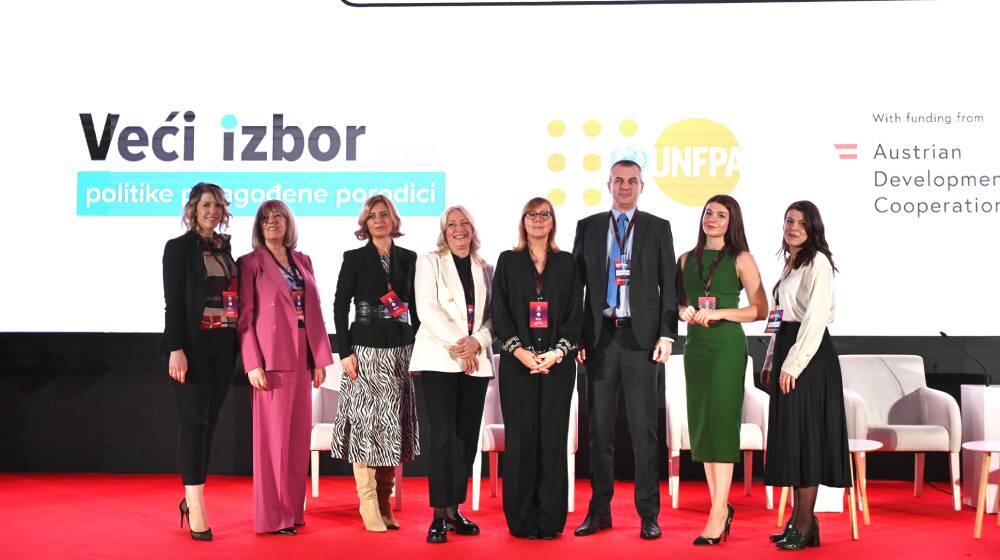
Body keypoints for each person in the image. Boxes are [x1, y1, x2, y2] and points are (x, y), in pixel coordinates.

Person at [572, 159, 677, 539]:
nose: (625, 186)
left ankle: (649, 514)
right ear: (609, 184)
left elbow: (669, 285)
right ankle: (599, 511)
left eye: (632, 181)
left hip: (642, 341)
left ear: (642, 186)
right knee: (599, 432)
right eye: (619, 180)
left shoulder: (657, 227)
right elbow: (575, 290)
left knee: (644, 431)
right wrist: (578, 336)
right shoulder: (589, 227)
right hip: (600, 339)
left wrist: (667, 334)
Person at [237, 200, 334, 535]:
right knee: (273, 444)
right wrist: (253, 364)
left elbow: (315, 311)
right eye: (265, 218)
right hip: (271, 361)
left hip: (302, 359)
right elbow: (245, 319)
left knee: (295, 444)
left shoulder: (303, 260)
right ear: (258, 227)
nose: (272, 222)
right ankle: (273, 517)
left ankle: (292, 512)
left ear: (288, 222)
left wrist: (320, 358)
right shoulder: (250, 263)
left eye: (278, 216)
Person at [677, 195, 768, 545]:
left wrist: (720, 313)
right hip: (696, 348)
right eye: (708, 213)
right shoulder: (686, 259)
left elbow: (760, 309)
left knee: (721, 423)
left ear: (733, 222)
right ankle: (720, 506)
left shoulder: (742, 259)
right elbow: (677, 301)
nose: (712, 219)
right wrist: (683, 311)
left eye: (721, 215)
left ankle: (717, 513)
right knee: (703, 427)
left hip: (727, 347)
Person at [492, 197, 582, 540]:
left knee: (552, 441)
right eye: (533, 214)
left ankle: (550, 520)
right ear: (523, 221)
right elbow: (500, 313)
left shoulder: (567, 263)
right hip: (518, 366)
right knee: (522, 440)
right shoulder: (508, 261)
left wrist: (557, 353)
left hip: (558, 366)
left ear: (553, 221)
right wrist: (523, 354)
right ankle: (521, 519)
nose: (539, 220)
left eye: (545, 214)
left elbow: (576, 313)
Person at [762, 200, 850, 550]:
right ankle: (802, 522)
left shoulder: (818, 262)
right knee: (793, 440)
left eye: (801, 222)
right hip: (787, 349)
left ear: (813, 227)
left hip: (809, 358)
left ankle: (804, 522)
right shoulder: (789, 263)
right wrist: (771, 358)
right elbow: (779, 317)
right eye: (788, 221)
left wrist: (793, 364)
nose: (793, 227)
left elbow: (813, 320)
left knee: (806, 440)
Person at [331, 194, 421, 532]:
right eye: (373, 216)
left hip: (399, 350)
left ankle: (385, 501)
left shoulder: (410, 258)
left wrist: (420, 348)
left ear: (394, 221)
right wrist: (344, 352)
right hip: (364, 350)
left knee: (391, 426)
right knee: (368, 428)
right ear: (365, 224)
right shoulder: (353, 258)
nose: (379, 220)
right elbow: (340, 305)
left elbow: (418, 306)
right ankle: (367, 502)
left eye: (384, 215)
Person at [409, 205, 495, 543]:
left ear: (473, 230)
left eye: (464, 224)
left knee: (465, 438)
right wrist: (461, 345)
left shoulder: (485, 268)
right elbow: (426, 308)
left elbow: (492, 318)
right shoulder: (429, 261)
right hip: (440, 359)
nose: (459, 230)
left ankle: (454, 508)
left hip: (475, 360)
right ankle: (438, 513)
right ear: (444, 232)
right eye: (451, 225)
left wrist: (477, 342)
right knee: (443, 437)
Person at [161, 183, 240, 541]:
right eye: (206, 205)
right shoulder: (178, 249)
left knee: (209, 422)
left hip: (224, 346)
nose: (213, 211)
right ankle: (196, 504)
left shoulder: (225, 249)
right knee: (193, 423)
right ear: (193, 209)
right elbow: (174, 303)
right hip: (191, 347)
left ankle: (191, 496)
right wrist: (176, 347)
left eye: (218, 205)